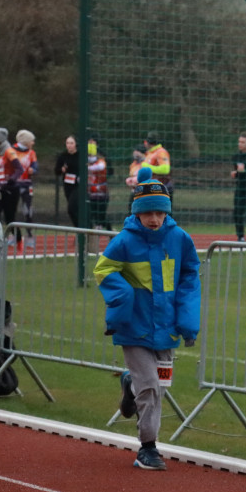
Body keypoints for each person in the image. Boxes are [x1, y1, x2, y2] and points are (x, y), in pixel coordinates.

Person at [94, 177, 201, 470]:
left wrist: (187, 318)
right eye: (147, 212)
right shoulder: (124, 241)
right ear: (136, 212)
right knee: (151, 386)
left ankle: (130, 386)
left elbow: (190, 275)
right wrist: (123, 295)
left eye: (159, 212)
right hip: (134, 328)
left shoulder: (180, 238)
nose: (154, 219)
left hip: (166, 330)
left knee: (158, 387)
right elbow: (103, 269)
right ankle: (148, 447)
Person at [0, 127, 22, 245]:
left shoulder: (9, 152)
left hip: (9, 190)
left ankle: (18, 241)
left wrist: (11, 180)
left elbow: (19, 169)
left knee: (10, 218)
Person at [13, 129, 38, 248]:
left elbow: (35, 165)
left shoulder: (31, 153)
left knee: (28, 209)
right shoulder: (11, 151)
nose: (33, 143)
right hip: (13, 184)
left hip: (27, 184)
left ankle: (29, 235)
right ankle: (14, 235)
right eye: (31, 141)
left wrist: (34, 170)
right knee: (12, 210)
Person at [56, 135, 81, 227]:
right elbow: (57, 171)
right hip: (67, 186)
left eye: (71, 143)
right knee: (73, 210)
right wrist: (61, 169)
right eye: (67, 143)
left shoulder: (80, 156)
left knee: (71, 208)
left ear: (75, 144)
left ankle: (82, 229)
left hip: (78, 186)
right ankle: (79, 229)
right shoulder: (63, 156)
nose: (69, 145)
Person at [87, 139, 110, 230]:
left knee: (101, 216)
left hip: (101, 193)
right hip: (91, 193)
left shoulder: (100, 161)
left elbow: (100, 167)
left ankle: (110, 231)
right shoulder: (87, 162)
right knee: (93, 215)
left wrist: (88, 167)